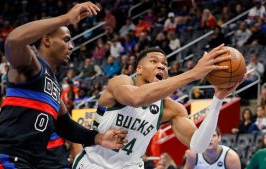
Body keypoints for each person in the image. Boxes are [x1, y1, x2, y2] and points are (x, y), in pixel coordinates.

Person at [0, 2, 127, 168]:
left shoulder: (54, 85)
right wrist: (65, 18)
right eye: (66, 40)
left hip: (30, 162)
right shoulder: (32, 65)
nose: (71, 46)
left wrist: (99, 138)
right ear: (47, 40)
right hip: (8, 157)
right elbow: (13, 41)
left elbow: (66, 126)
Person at [73, 46, 240, 169]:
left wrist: (218, 100)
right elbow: (136, 98)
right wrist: (193, 73)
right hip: (93, 164)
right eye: (154, 61)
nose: (161, 66)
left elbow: (198, 146)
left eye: (165, 64)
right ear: (139, 69)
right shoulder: (121, 82)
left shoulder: (170, 109)